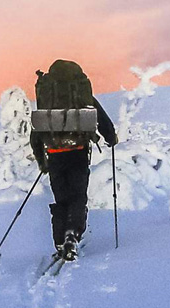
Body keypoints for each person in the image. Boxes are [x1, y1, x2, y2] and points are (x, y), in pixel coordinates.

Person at [29, 59, 119, 261]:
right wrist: (110, 137)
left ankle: (60, 240)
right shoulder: (80, 94)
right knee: (78, 195)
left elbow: (36, 130)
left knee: (62, 198)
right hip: (78, 150)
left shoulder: (47, 97)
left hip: (54, 153)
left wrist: (41, 160)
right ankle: (72, 234)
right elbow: (101, 118)